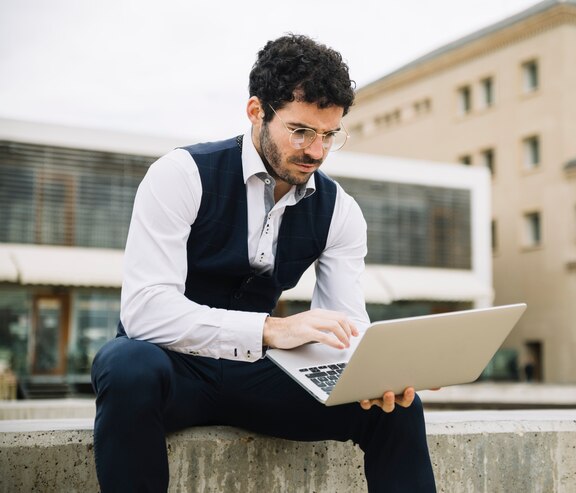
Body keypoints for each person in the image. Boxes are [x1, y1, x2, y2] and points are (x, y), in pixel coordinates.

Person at [90, 34, 436, 492]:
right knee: (125, 363)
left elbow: (345, 326)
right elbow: (144, 311)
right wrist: (270, 330)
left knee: (396, 407)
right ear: (257, 112)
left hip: (259, 379)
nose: (317, 151)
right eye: (301, 131)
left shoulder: (342, 211)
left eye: (330, 134)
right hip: (173, 371)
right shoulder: (181, 174)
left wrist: (377, 374)